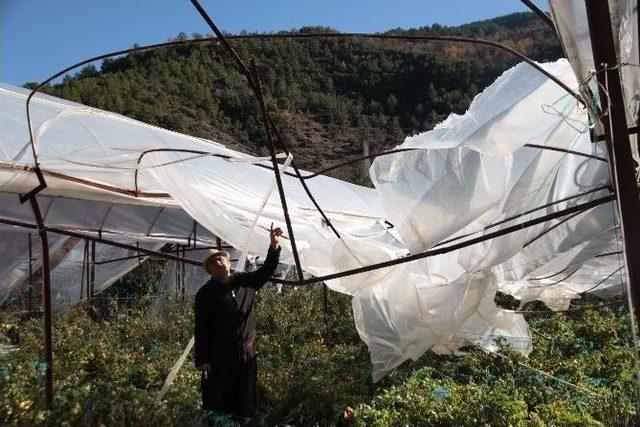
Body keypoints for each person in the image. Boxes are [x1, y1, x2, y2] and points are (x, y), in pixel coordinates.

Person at [194, 224, 283, 422]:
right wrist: (202, 359)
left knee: (245, 396)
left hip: (246, 351)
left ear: (227, 260)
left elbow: (266, 271)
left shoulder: (244, 281)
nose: (218, 262)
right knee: (221, 397)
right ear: (209, 270)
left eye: (220, 258)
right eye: (213, 262)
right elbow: (201, 328)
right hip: (220, 356)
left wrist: (274, 246)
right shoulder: (205, 295)